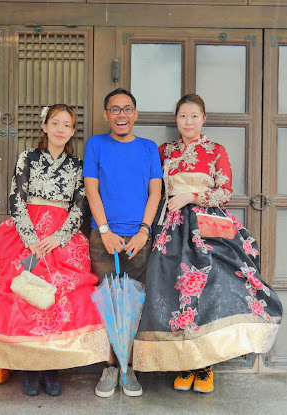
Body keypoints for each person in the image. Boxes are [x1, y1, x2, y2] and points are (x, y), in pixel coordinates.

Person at [133, 94, 283, 393]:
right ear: (176, 120)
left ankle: (204, 365)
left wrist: (191, 196)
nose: (188, 122)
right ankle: (184, 362)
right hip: (172, 226)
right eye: (182, 116)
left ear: (203, 119)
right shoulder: (164, 151)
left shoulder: (215, 150)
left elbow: (225, 191)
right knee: (173, 288)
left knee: (211, 287)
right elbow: (152, 187)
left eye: (194, 116)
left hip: (207, 225)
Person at [0, 104, 110, 397]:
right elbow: (16, 197)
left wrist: (59, 237)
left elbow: (81, 205)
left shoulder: (77, 165)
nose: (60, 129)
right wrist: (30, 237)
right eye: (55, 123)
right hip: (26, 232)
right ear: (45, 126)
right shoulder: (27, 158)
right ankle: (29, 369)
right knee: (23, 296)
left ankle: (51, 368)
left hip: (60, 237)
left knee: (57, 298)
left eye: (66, 125)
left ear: (71, 132)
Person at [83, 88, 163, 397]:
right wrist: (104, 230)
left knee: (133, 304)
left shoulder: (147, 148)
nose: (121, 115)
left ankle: (128, 367)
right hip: (104, 236)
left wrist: (144, 231)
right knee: (106, 303)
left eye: (127, 109)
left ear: (136, 114)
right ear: (106, 115)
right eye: (115, 110)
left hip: (138, 238)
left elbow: (155, 192)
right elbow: (92, 190)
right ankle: (110, 367)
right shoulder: (96, 144)